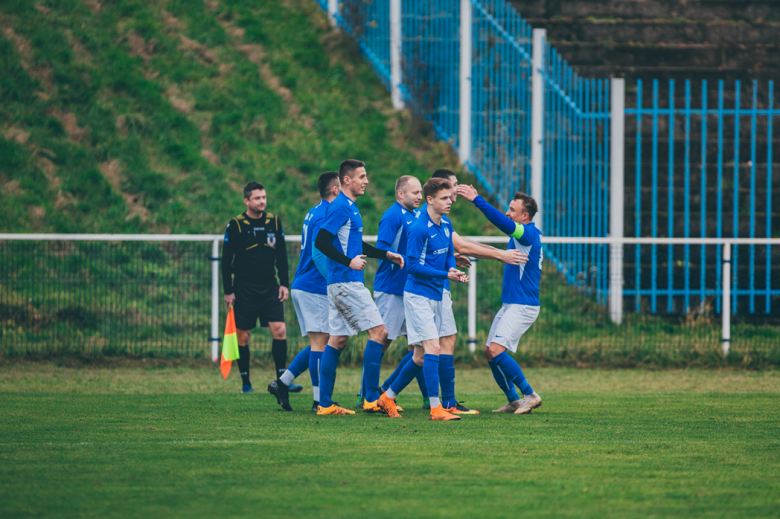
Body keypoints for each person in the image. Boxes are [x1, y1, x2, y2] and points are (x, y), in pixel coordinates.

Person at [413, 169, 528, 414]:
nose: (454, 194)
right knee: (422, 349)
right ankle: (388, 394)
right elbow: (461, 244)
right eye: (451, 189)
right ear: (433, 195)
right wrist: (499, 255)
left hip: (436, 288)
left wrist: (452, 262)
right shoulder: (422, 221)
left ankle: (443, 402)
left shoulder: (443, 222)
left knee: (433, 347)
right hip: (420, 289)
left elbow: (454, 247)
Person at [313, 159, 405, 416]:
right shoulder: (342, 206)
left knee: (339, 339)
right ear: (346, 180)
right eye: (362, 176)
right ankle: (371, 398)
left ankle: (325, 404)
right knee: (380, 333)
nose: (366, 181)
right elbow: (321, 241)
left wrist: (385, 254)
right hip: (346, 283)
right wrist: (347, 261)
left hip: (340, 283)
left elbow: (354, 245)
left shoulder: (349, 207)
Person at [377, 178, 469, 421]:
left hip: (436, 293)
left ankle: (387, 396)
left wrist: (453, 270)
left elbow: (449, 253)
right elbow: (413, 267)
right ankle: (436, 409)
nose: (449, 202)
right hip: (417, 295)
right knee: (433, 348)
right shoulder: (419, 228)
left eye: (450, 197)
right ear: (430, 200)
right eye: (444, 198)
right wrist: (445, 274)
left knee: (419, 355)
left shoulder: (446, 225)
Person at [456, 184, 543, 415]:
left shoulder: (528, 234)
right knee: (489, 351)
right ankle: (514, 400)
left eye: (512, 210)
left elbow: (502, 223)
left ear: (524, 216)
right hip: (513, 304)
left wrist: (477, 199)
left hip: (523, 305)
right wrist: (465, 246)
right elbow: (493, 248)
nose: (507, 213)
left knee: (495, 350)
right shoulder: (522, 238)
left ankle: (530, 395)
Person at [268, 172, 340, 412]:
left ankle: (283, 382)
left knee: (324, 341)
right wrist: (333, 282)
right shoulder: (327, 213)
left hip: (305, 283)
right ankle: (319, 402)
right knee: (322, 343)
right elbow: (319, 254)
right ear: (336, 190)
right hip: (314, 285)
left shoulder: (314, 210)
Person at [356, 175, 425, 409]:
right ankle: (366, 395)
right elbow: (383, 249)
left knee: (418, 345)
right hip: (391, 289)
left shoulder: (417, 215)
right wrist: (398, 258)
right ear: (400, 194)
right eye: (415, 192)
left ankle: (423, 398)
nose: (419, 196)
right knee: (382, 341)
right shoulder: (392, 215)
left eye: (420, 192)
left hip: (411, 289)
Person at [222, 182, 298, 394]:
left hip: (269, 287)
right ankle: (246, 383)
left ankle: (282, 381)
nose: (262, 201)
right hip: (244, 288)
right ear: (246, 201)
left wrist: (284, 283)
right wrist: (228, 290)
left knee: (280, 330)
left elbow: (281, 254)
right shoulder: (236, 225)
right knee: (243, 336)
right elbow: (226, 260)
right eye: (257, 198)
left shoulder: (274, 221)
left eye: (264, 197)